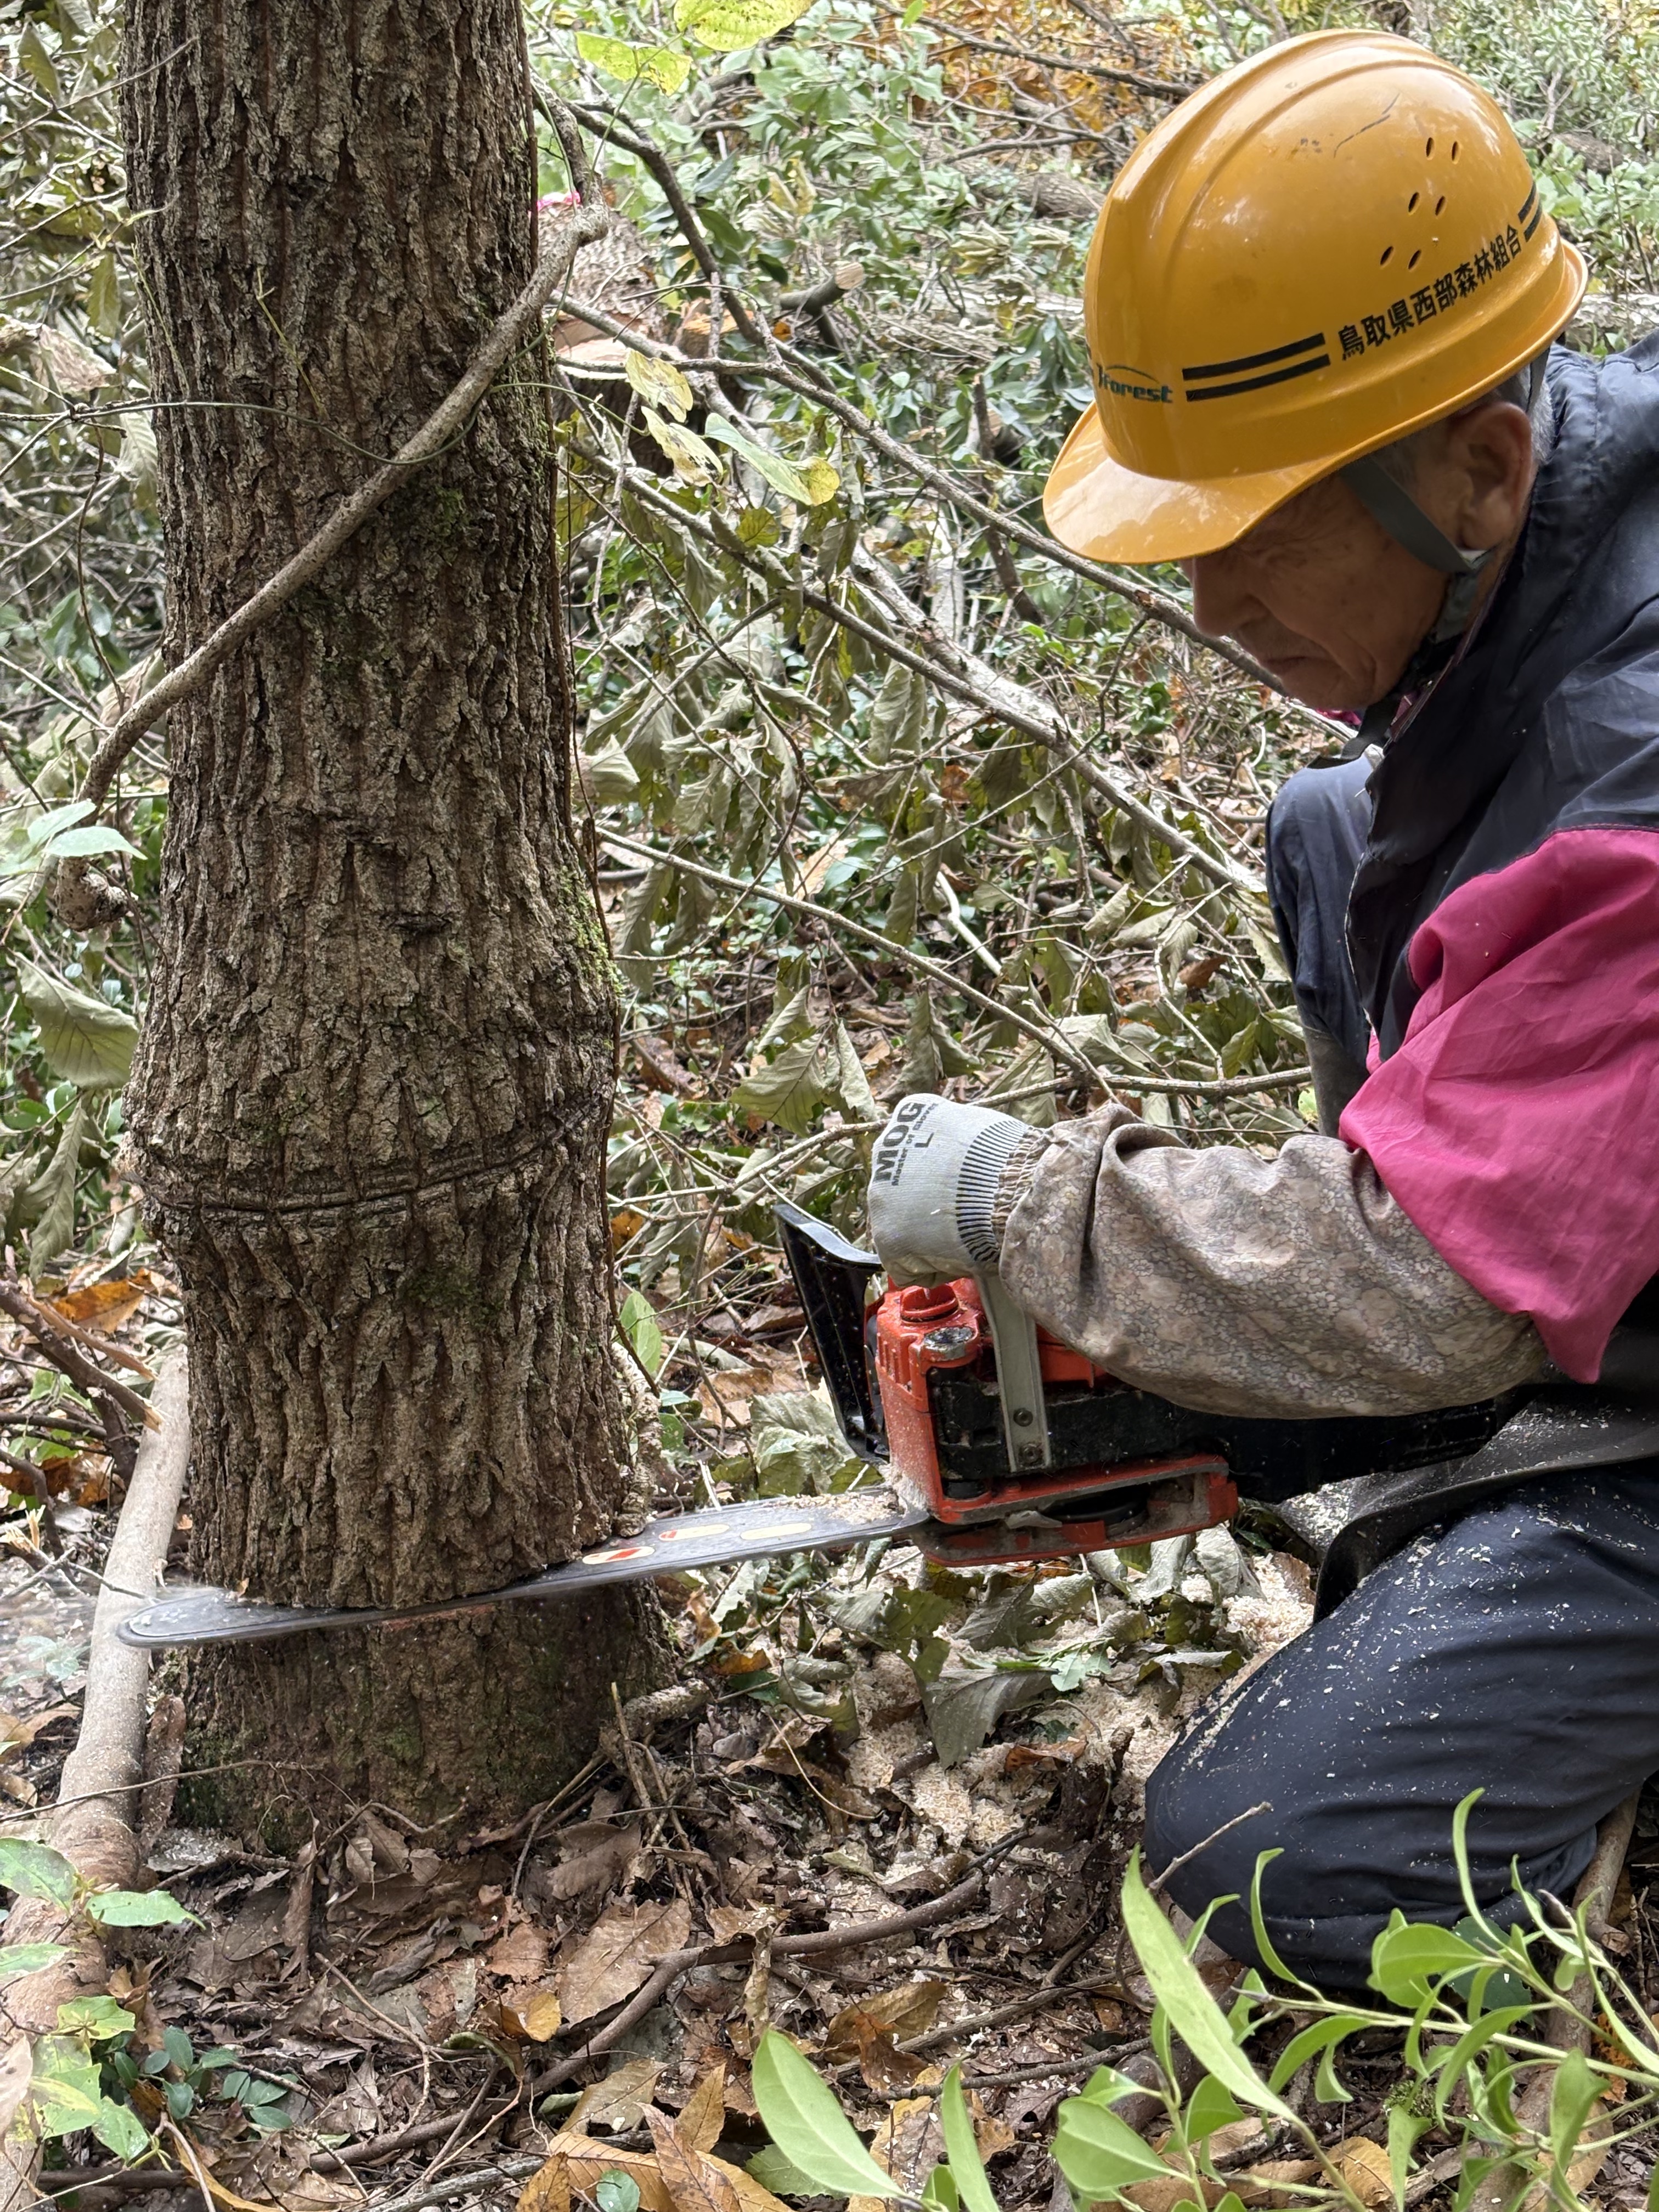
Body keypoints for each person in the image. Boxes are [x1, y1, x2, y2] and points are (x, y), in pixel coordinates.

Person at [864, 31, 1659, 1990]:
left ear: (1479, 458)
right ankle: (1487, 1438)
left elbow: (1427, 1280)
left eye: (1261, 539)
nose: (1216, 612)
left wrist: (1038, 1208)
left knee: (1260, 1856)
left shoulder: (1641, 782)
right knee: (1334, 825)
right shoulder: (1569, 508)